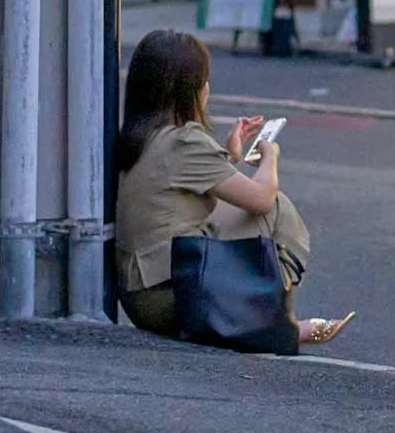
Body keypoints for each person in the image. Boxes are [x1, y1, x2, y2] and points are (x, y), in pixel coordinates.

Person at [113, 29, 353, 346]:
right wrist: (270, 155)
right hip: (172, 300)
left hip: (138, 295)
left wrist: (231, 155)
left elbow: (189, 185)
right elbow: (260, 199)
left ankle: (271, 319)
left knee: (232, 210)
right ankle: (275, 325)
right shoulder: (184, 140)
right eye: (204, 79)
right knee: (276, 210)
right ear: (191, 89)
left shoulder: (140, 135)